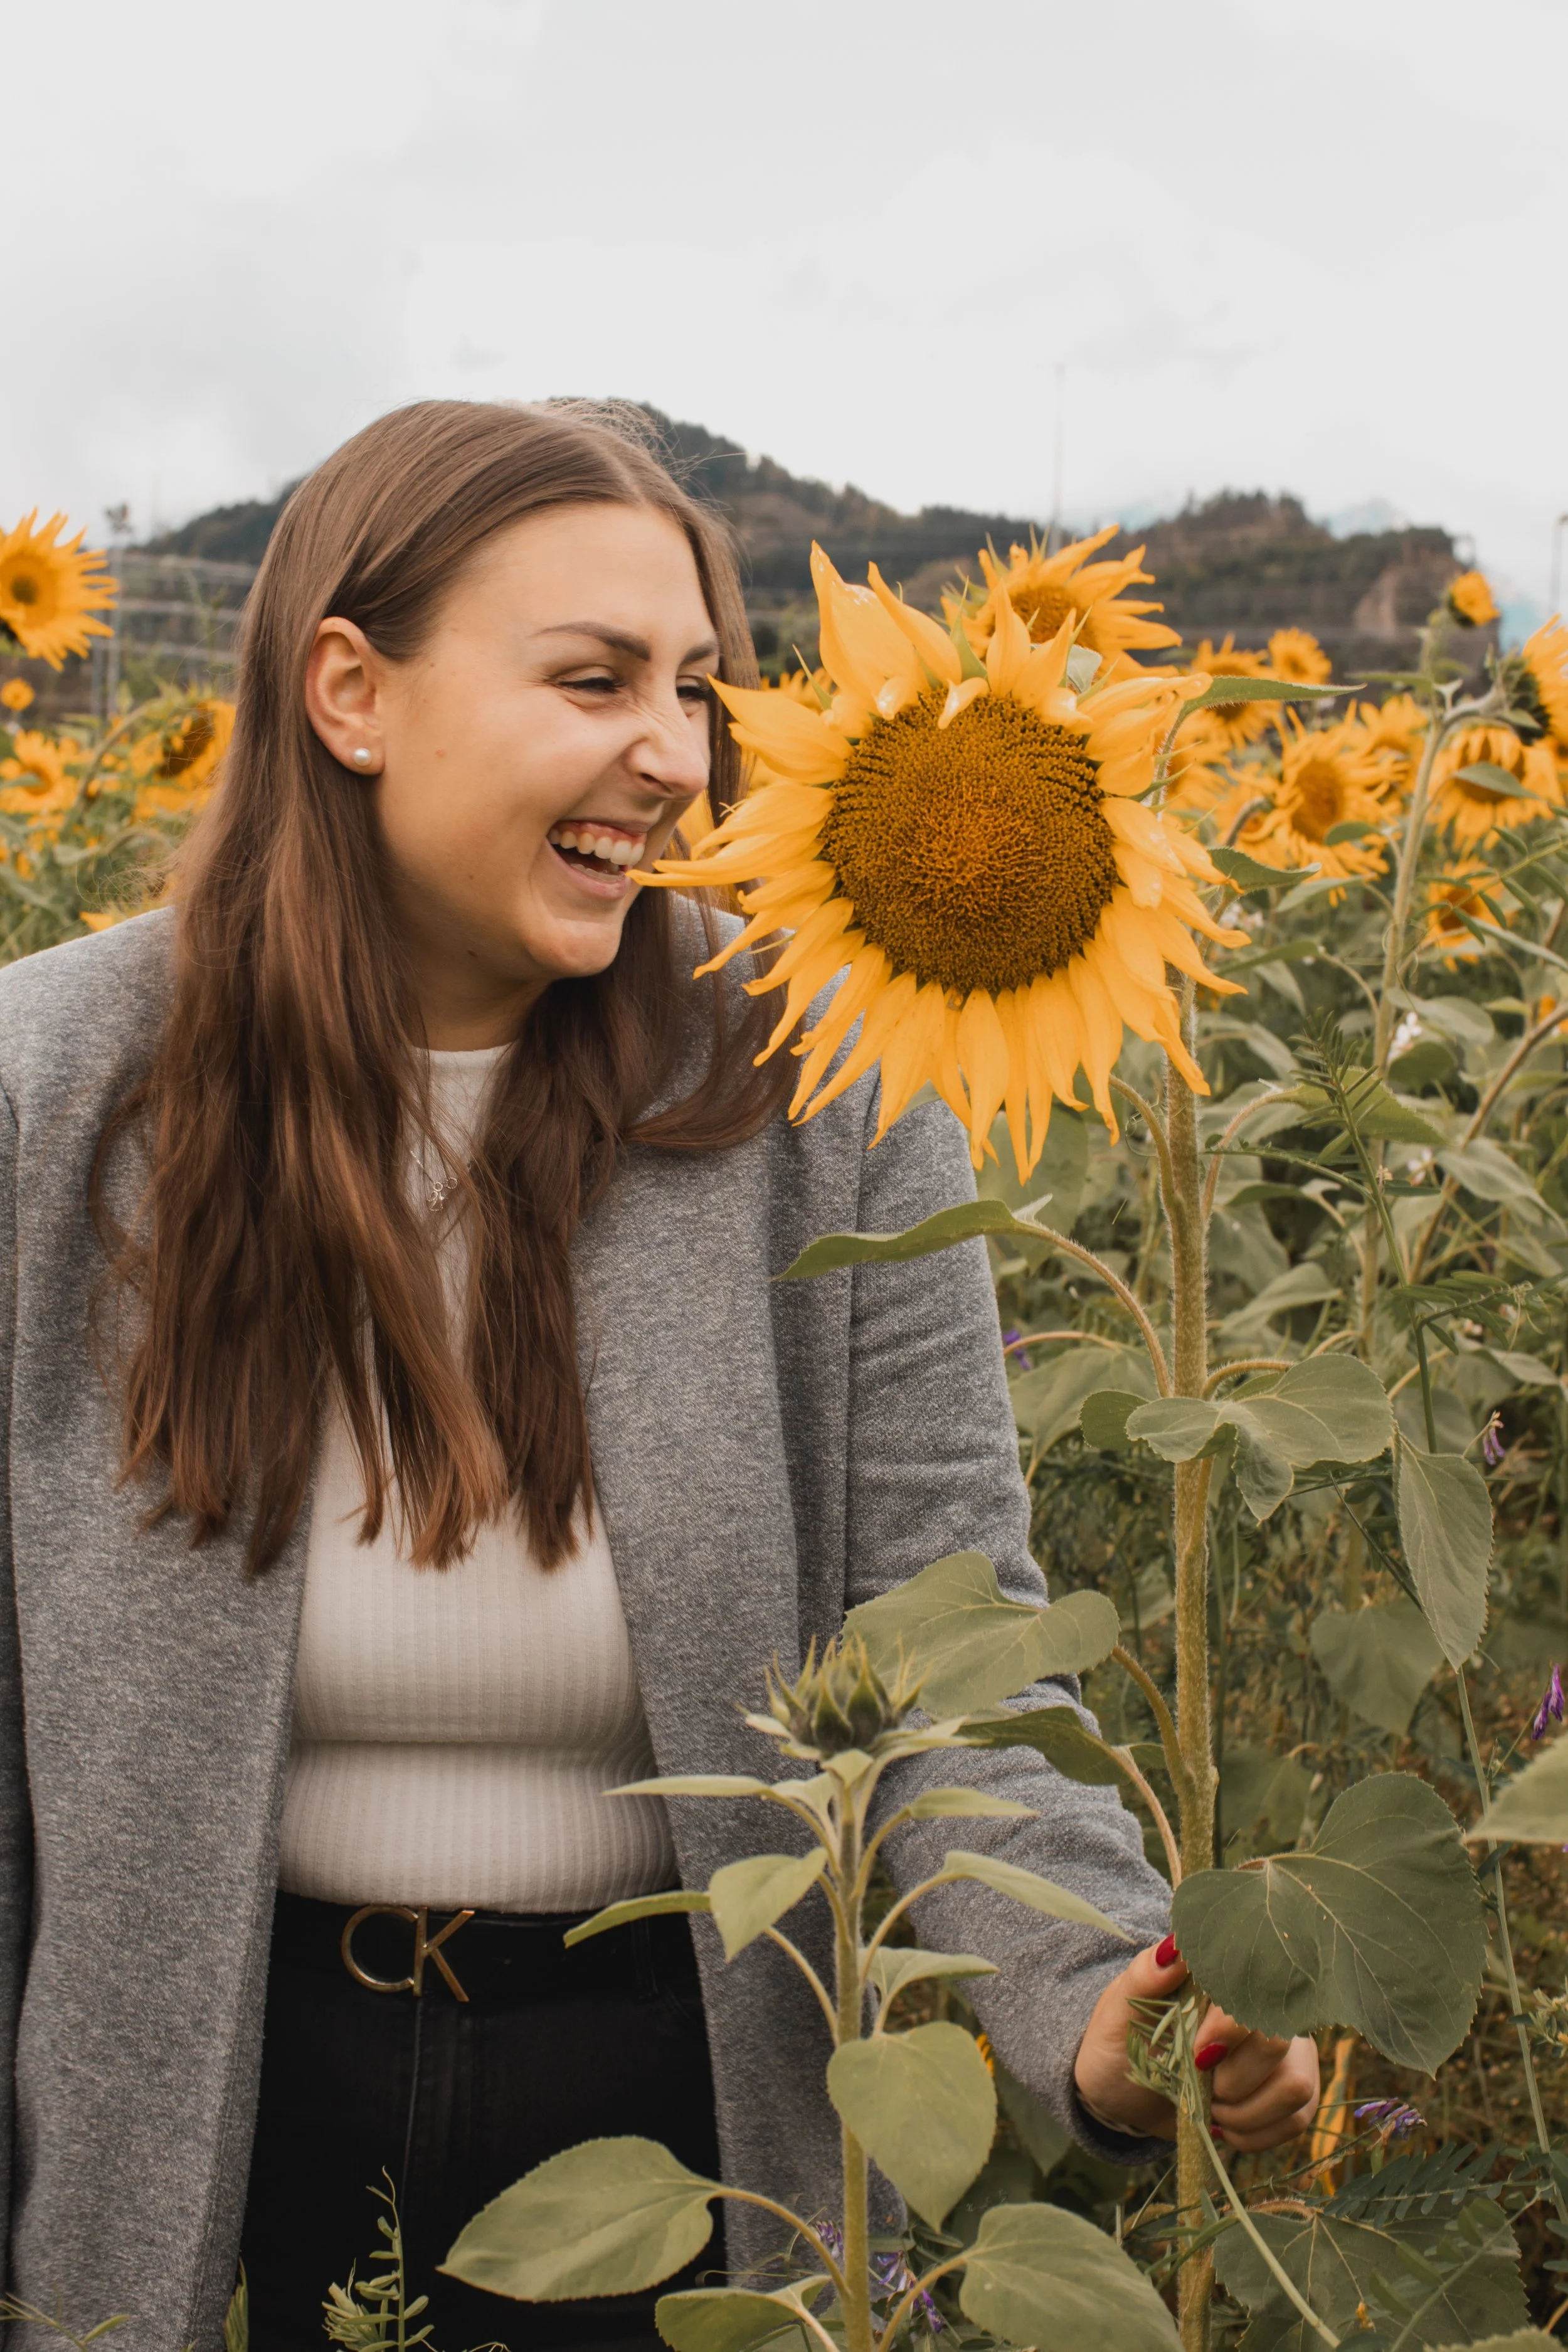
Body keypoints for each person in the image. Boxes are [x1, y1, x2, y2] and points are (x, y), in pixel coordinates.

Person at [0, 401, 1318, 2352]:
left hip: (696, 2140)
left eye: (697, 687)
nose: (679, 757)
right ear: (351, 694)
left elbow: (951, 1641)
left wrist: (1093, 2002)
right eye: (595, 678)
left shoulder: (811, 1086)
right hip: (200, 2131)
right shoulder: (53, 1090)